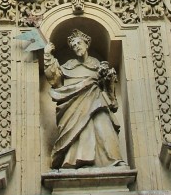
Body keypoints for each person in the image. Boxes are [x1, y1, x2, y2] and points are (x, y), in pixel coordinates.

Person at [43, 29, 125, 169]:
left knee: (104, 125)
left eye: (79, 43)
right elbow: (55, 79)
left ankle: (113, 159)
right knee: (80, 130)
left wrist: (108, 78)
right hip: (74, 108)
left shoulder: (97, 65)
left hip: (97, 102)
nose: (77, 47)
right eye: (74, 46)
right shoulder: (68, 66)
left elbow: (108, 92)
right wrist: (47, 55)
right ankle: (78, 161)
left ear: (86, 44)